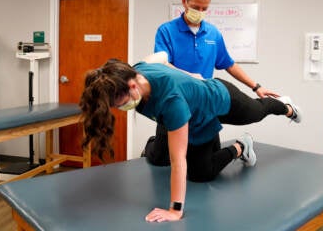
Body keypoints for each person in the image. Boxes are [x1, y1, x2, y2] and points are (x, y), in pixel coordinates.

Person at [79, 52, 302, 223]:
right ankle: (237, 148)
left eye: (121, 103)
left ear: (133, 85)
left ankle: (281, 110)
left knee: (256, 112)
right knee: (175, 164)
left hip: (221, 101)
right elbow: (162, 56)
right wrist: (187, 75)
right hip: (189, 117)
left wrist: (175, 210)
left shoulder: (171, 101)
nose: (122, 108)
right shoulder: (136, 69)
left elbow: (178, 162)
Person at [150, 0, 283, 156]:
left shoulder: (213, 33)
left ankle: (242, 147)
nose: (200, 12)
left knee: (207, 165)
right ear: (184, 1)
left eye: (205, 8)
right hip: (173, 101)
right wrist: (190, 76)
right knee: (160, 159)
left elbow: (229, 64)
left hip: (203, 105)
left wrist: (256, 86)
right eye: (196, 7)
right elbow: (162, 65)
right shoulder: (166, 31)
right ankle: (151, 144)